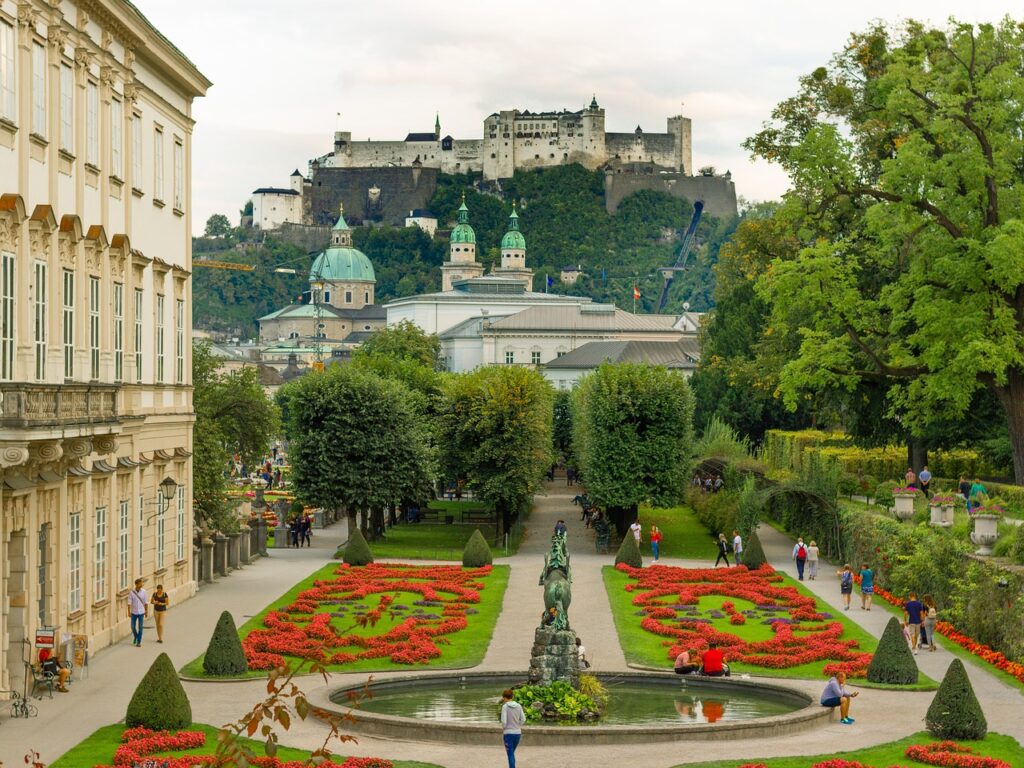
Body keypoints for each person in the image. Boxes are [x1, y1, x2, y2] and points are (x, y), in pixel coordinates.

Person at [500, 689, 524, 768]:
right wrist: (517, 725)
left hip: (508, 734)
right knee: (511, 753)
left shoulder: (505, 707)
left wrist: (504, 728)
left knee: (510, 754)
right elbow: (523, 719)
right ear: (512, 696)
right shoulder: (519, 706)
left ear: (504, 697)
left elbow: (504, 721)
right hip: (517, 733)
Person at [128, 578, 148, 647]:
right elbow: (129, 603)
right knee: (132, 627)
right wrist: (128, 612)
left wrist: (146, 611)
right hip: (134, 612)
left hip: (141, 612)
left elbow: (145, 602)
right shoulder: (131, 593)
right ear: (136, 584)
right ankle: (136, 636)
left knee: (140, 627)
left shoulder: (144, 592)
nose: (142, 584)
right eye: (140, 583)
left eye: (142, 583)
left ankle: (138, 642)